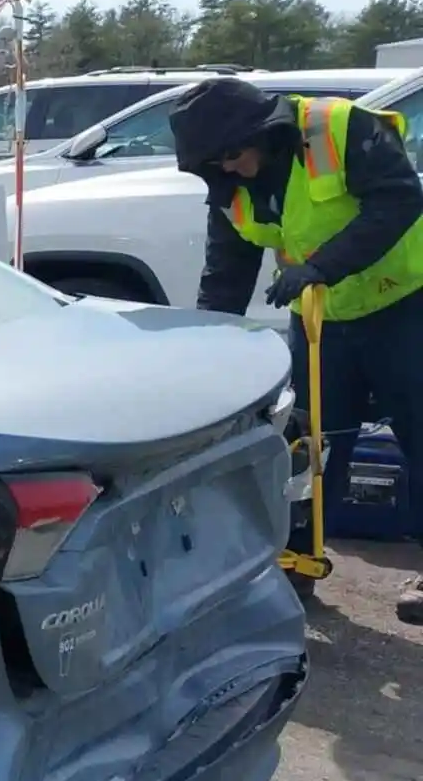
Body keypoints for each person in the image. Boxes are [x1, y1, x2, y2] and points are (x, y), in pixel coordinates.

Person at [170, 78, 423, 623]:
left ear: (262, 133)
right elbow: (227, 273)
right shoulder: (230, 182)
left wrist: (321, 266)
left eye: (233, 156)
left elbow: (401, 198)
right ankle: (299, 560)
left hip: (406, 305)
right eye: (215, 164)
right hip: (322, 321)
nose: (229, 169)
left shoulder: (339, 127)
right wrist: (206, 344)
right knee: (310, 444)